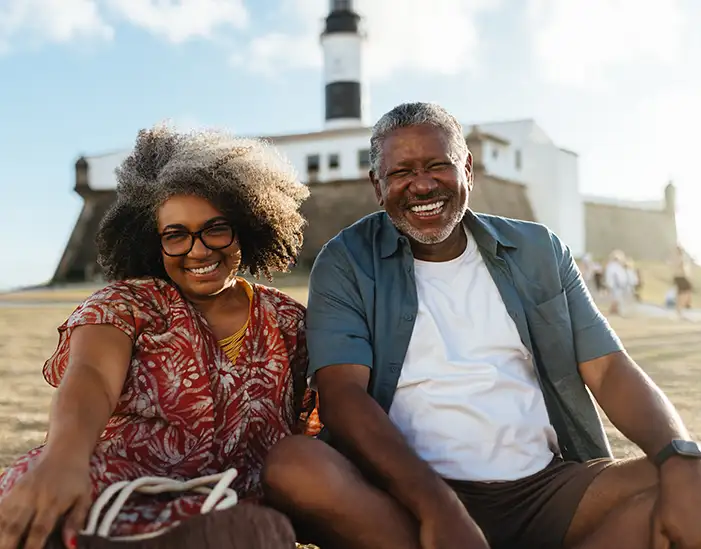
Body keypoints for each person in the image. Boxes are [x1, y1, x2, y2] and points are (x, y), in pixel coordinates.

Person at [262, 102, 701, 549]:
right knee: (293, 465)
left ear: (467, 169)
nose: (422, 184)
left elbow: (607, 368)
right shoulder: (347, 259)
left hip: (547, 490)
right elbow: (342, 394)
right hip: (407, 497)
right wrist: (440, 507)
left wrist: (680, 456)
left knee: (687, 481)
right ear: (378, 185)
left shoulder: (539, 250)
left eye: (438, 165)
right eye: (401, 173)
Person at [0, 125, 320, 548]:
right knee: (36, 508)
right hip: (117, 484)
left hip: (228, 502)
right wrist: (63, 460)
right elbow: (91, 376)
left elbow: (314, 419)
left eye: (216, 229)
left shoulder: (289, 321)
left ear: (249, 225)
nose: (199, 250)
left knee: (260, 533)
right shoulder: (125, 304)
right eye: (176, 235)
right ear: (154, 242)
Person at [671, 244, 693, 317]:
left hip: (678, 276)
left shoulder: (676, 257)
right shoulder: (681, 258)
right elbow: (682, 267)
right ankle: (682, 306)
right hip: (681, 276)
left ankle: (679, 309)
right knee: (685, 291)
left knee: (680, 293)